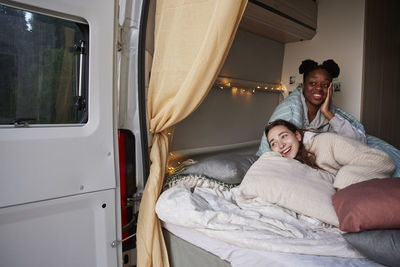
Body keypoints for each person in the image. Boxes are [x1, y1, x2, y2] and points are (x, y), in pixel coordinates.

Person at [265, 119, 395, 189]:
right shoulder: (285, 164)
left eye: (284, 136)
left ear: (298, 135)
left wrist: (343, 182)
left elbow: (381, 160)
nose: (281, 145)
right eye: (274, 143)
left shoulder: (325, 142)